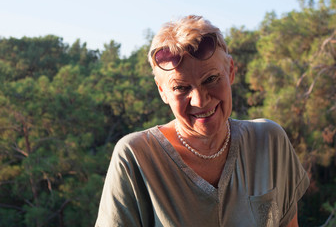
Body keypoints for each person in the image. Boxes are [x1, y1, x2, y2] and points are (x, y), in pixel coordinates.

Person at [95, 15, 309, 227]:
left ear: (231, 71)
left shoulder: (269, 141)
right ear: (162, 91)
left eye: (211, 79)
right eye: (180, 87)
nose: (200, 100)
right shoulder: (136, 157)